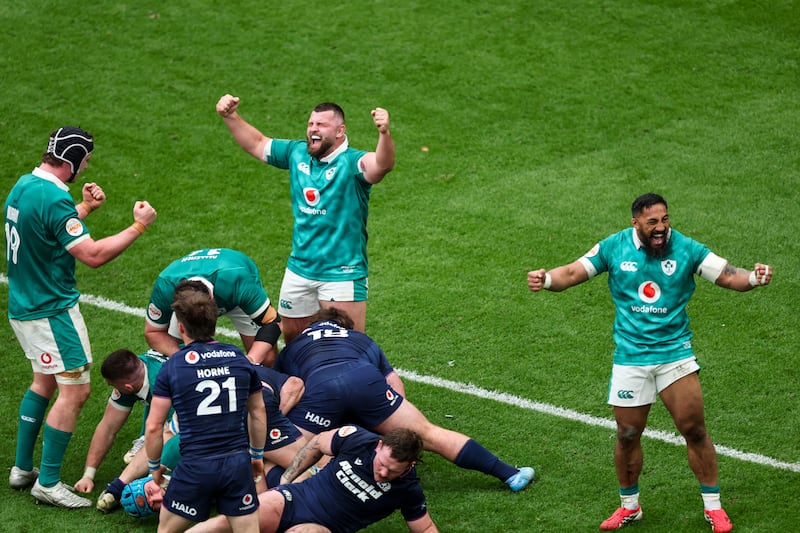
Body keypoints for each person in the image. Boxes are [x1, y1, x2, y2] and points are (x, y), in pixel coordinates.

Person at [527, 192, 773, 533]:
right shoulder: (614, 247)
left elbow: (729, 275)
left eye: (665, 220)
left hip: (675, 354)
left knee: (695, 429)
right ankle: (630, 506)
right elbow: (572, 272)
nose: (661, 228)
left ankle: (713, 507)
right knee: (627, 433)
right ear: (635, 223)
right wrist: (548, 279)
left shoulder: (686, 248)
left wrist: (754, 278)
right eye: (652, 222)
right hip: (630, 357)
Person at [4, 126, 157, 508]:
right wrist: (139, 225)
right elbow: (92, 255)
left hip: (23, 306)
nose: (86, 166)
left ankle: (23, 469)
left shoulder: (24, 185)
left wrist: (85, 209)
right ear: (72, 160)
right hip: (52, 311)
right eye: (85, 160)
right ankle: (49, 482)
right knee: (76, 390)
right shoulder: (54, 199)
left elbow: (45, 228)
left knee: (43, 382)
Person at [274, 308, 534, 493]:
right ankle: (509, 474)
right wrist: (388, 421)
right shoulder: (361, 339)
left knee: (287, 448)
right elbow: (394, 384)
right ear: (344, 327)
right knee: (430, 434)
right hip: (365, 381)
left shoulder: (293, 348)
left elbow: (287, 391)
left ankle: (276, 498)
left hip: (321, 390)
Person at [216, 95, 395, 343]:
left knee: (348, 347)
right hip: (299, 270)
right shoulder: (296, 153)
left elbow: (382, 165)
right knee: (295, 345)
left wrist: (384, 134)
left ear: (340, 131)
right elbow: (257, 143)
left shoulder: (353, 162)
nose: (313, 129)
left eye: (321, 125)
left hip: (342, 273)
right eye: (311, 124)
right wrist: (231, 117)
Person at [145, 279, 267, 532]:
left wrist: (155, 468)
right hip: (237, 465)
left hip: (195, 467)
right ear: (214, 321)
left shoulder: (173, 367)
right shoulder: (239, 358)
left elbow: (155, 426)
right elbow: (257, 412)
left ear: (180, 326)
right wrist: (256, 456)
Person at [186, 425, 438, 533]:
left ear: (410, 465)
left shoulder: (408, 489)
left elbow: (424, 527)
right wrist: (287, 479)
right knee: (229, 522)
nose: (383, 474)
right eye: (382, 464)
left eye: (392, 471)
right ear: (379, 446)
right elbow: (317, 443)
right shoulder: (357, 439)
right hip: (293, 500)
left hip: (323, 527)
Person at [73, 348, 178, 512]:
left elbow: (169, 436)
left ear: (128, 387)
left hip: (215, 421)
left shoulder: (165, 384)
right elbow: (108, 427)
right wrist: (88, 474)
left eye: (112, 385)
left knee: (176, 462)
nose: (111, 387)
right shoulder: (138, 369)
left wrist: (151, 477)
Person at [145, 248, 281, 362]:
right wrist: (181, 357)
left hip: (234, 298)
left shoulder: (237, 280)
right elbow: (153, 332)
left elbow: (273, 322)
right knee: (169, 361)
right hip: (216, 289)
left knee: (266, 359)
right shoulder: (165, 286)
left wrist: (252, 359)